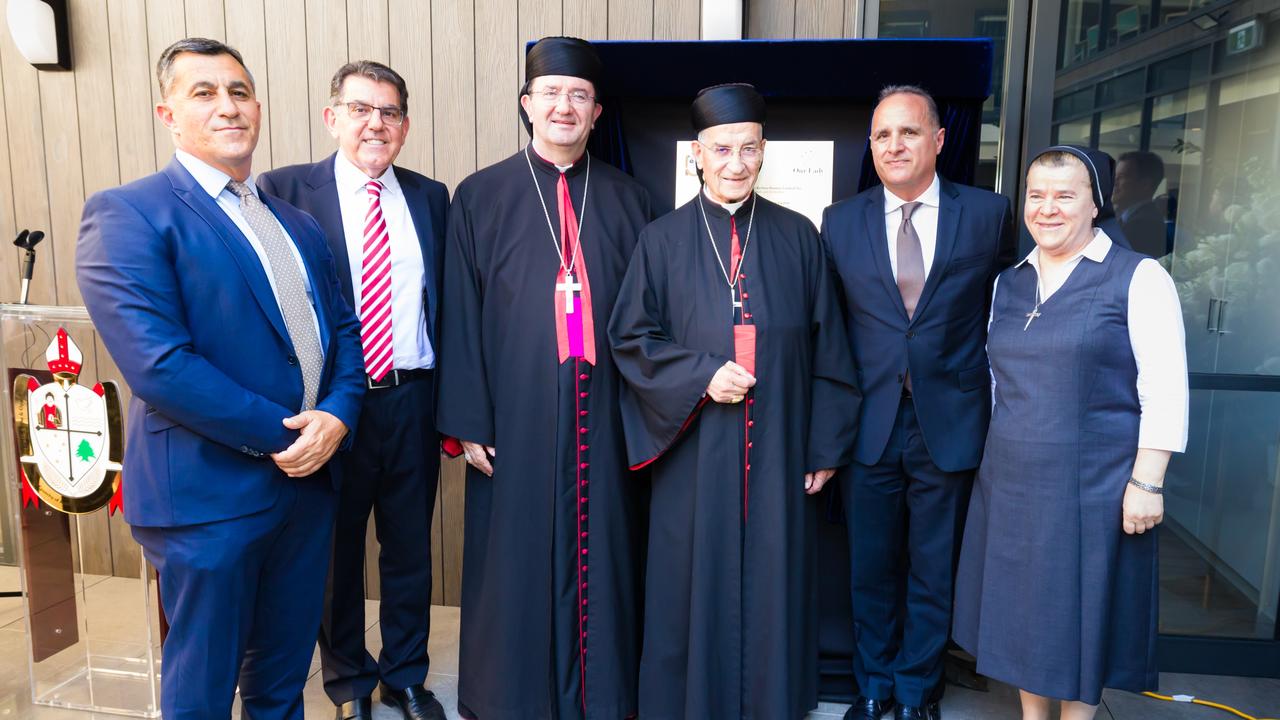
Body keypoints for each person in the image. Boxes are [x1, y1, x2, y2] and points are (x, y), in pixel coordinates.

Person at [75, 38, 365, 719]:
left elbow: (344, 335)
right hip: (208, 500)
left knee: (280, 682)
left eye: (238, 92)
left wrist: (340, 415)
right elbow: (159, 365)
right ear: (167, 113)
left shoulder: (296, 223)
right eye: (203, 93)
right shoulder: (129, 213)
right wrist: (291, 434)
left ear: (258, 108)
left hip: (305, 492)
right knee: (202, 691)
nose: (226, 106)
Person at [609, 83, 860, 720]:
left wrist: (824, 445)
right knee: (689, 579)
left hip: (779, 448)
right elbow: (630, 338)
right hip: (695, 450)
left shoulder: (800, 237)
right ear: (697, 153)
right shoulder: (660, 240)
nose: (736, 162)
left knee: (775, 579)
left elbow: (832, 346)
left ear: (764, 152)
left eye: (749, 148)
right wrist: (699, 376)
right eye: (722, 149)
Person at [434, 36, 652, 720]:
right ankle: (511, 697)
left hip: (606, 413)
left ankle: (603, 695)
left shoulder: (631, 200)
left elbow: (650, 316)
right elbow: (460, 314)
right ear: (528, 105)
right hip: (515, 416)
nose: (564, 106)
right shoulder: (479, 196)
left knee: (607, 555)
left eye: (579, 97)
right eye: (551, 94)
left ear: (595, 114)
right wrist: (468, 421)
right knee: (514, 560)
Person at [953, 145, 1188, 720]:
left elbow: (1165, 385)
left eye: (1065, 195)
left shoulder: (1139, 277)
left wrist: (1148, 482)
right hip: (1011, 482)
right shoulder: (1007, 283)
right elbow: (994, 383)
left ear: (1095, 203)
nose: (1048, 209)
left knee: (1080, 614)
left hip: (1094, 486)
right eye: (1037, 195)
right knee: (1027, 617)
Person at [258, 60, 448, 720]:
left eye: (390, 112)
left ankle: (405, 676)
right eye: (362, 108)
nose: (377, 123)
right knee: (335, 554)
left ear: (405, 125)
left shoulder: (430, 197)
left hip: (412, 398)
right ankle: (347, 683)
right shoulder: (283, 192)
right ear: (332, 116)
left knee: (408, 548)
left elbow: (442, 305)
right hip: (332, 408)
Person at [821, 84, 1016, 720]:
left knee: (935, 568)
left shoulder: (987, 215)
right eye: (882, 135)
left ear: (938, 140)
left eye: (909, 132)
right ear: (871, 147)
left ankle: (916, 692)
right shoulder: (839, 221)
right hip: (869, 423)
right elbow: (827, 329)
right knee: (870, 568)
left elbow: (1011, 315)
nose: (895, 145)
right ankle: (874, 687)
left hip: (952, 422)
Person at [1113, 150, 1171, 258]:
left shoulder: (1144, 224)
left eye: (1121, 177)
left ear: (1145, 185)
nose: (1114, 182)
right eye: (1114, 176)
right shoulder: (1121, 216)